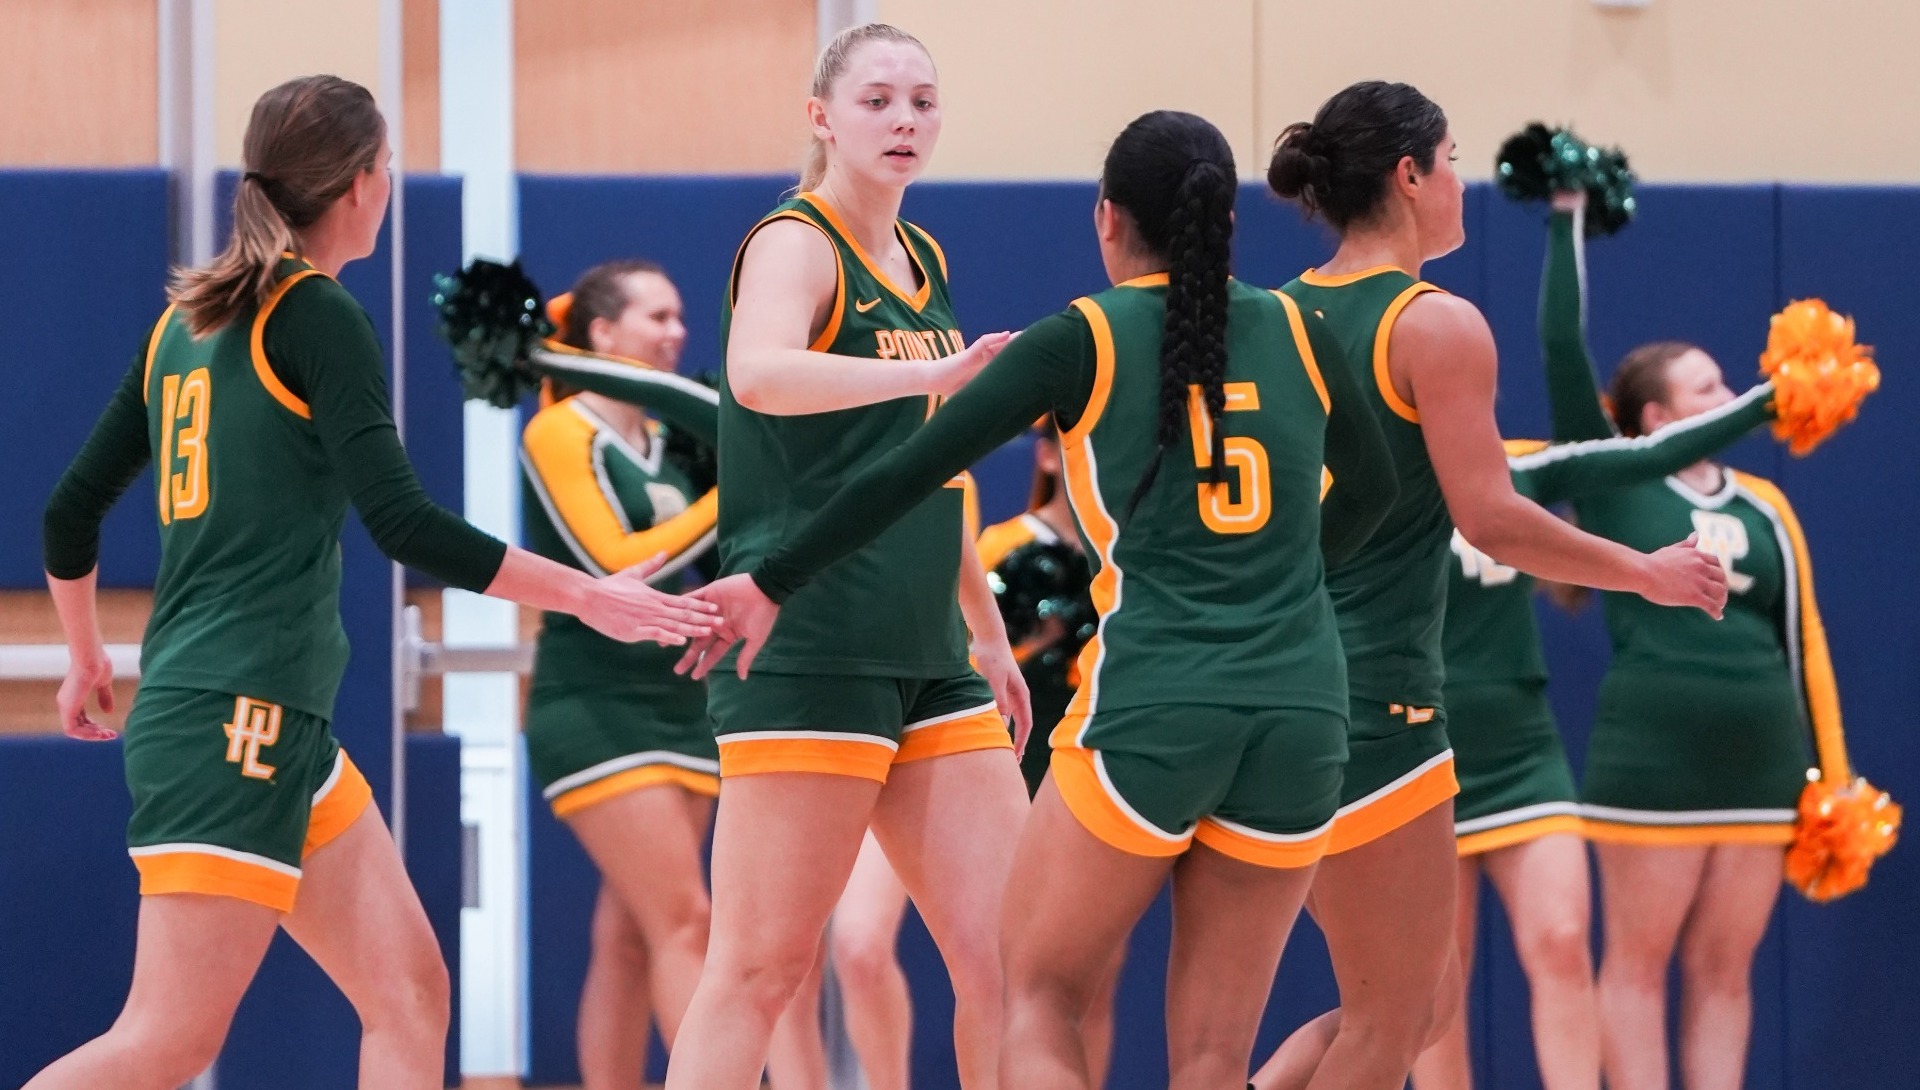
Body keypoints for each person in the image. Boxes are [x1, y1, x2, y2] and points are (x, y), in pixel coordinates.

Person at [686, 107, 1401, 1090]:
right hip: (1305, 710)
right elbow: (1381, 487)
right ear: (1226, 223)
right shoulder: (1298, 323)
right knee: (1210, 1051)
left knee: (1032, 990)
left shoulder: (1084, 334)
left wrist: (770, 577)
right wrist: (1287, 588)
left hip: (1157, 701)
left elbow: (913, 469)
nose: (906, 117)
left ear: (1108, 218)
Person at [30, 75, 714, 1090]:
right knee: (167, 1041)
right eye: (387, 163)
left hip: (279, 722)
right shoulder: (316, 314)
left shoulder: (185, 322)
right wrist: (589, 594)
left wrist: (88, 653)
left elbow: (67, 514)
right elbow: (402, 521)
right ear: (359, 184)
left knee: (408, 990)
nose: (390, 182)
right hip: (235, 716)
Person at [1248, 81, 1727, 1090]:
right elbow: (1493, 516)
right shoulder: (1435, 323)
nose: (1462, 181)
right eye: (1452, 158)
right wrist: (1644, 570)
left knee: (1404, 1003)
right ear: (1410, 174)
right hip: (1376, 699)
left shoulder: (1272, 314)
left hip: (1272, 691)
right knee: (1398, 1016)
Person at [658, 24, 1032, 1090]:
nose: (904, 120)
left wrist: (989, 632)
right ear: (822, 116)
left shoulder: (929, 259)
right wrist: (936, 376)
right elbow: (761, 373)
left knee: (1011, 957)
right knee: (761, 970)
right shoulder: (796, 240)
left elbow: (935, 466)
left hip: (932, 654)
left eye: (922, 101)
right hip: (812, 643)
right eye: (877, 100)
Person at [1412, 189, 1790, 1090]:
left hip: (1524, 748)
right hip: (1417, 742)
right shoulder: (1385, 493)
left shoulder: (1535, 475)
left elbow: (1647, 457)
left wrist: (1784, 394)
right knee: (1436, 979)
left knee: (1560, 939)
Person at [1542, 204, 1852, 1090]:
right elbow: (1564, 353)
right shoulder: (1615, 482)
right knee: (1636, 966)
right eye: (1708, 389)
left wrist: (1832, 778)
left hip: (1758, 767)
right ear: (1654, 413)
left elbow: (1806, 642)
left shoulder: (1764, 507)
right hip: (1652, 766)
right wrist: (1566, 223)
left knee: (1725, 971)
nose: (1729, 400)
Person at [518, 261, 723, 1090]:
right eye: (656, 316)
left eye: (680, 316)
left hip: (685, 704)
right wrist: (737, 488)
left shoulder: (673, 436)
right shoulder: (561, 431)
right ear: (600, 335)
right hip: (594, 701)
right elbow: (614, 568)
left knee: (635, 932)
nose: (677, 331)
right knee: (689, 920)